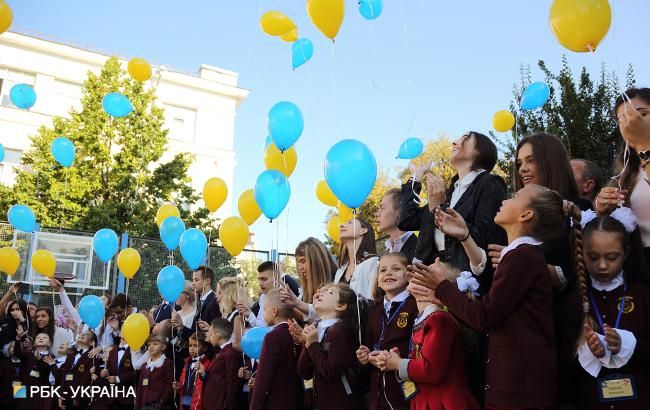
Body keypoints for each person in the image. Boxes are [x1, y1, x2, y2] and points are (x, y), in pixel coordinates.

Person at [410, 184, 575, 409]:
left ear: (525, 215)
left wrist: (442, 288)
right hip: (517, 386)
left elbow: (485, 316)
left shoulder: (522, 256)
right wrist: (442, 296)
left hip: (519, 391)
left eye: (515, 197)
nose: (506, 199)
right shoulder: (521, 255)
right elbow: (495, 313)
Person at [399, 131, 507, 294]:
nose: (454, 142)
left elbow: (487, 239)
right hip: (437, 285)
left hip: (470, 287)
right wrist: (416, 178)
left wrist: (446, 218)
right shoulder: (449, 194)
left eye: (465, 138)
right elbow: (407, 220)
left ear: (480, 150)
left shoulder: (489, 183)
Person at [574, 212, 650, 409]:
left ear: (626, 253)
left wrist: (627, 345)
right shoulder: (574, 301)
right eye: (593, 257)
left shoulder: (643, 296)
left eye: (611, 257)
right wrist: (585, 349)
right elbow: (560, 359)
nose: (602, 265)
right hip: (590, 400)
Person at [379, 277, 480, 409]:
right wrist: (398, 360)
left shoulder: (438, 319)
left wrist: (399, 364)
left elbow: (433, 370)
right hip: (428, 401)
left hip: (442, 403)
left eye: (424, 273)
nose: (413, 274)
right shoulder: (426, 318)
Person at [356, 252, 418, 410]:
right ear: (377, 279)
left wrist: (395, 359)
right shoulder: (374, 312)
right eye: (383, 270)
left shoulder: (415, 305)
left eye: (396, 269)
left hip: (405, 392)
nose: (388, 273)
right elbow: (369, 346)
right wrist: (366, 356)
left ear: (409, 275)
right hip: (377, 396)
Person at [596, 87, 650, 267]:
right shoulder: (627, 173)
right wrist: (602, 210)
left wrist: (644, 144)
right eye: (623, 120)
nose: (631, 123)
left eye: (641, 114)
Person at [297, 283, 364, 410]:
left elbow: (331, 372)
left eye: (330, 292)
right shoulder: (319, 329)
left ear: (340, 306)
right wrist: (308, 342)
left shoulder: (340, 331)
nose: (321, 294)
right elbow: (304, 372)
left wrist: (313, 344)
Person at [249, 290, 302, 410]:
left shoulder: (272, 337)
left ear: (274, 311)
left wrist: (255, 406)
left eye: (264, 309)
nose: (263, 313)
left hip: (275, 401)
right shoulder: (296, 333)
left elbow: (264, 376)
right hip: (295, 399)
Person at [279, 238, 338, 321]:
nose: (300, 268)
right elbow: (307, 316)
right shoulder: (304, 291)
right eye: (298, 262)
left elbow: (323, 314)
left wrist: (296, 303)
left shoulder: (337, 284)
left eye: (303, 261)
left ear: (317, 260)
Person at [197, 318, 242, 410]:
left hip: (221, 405)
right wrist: (204, 373)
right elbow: (216, 378)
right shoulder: (219, 352)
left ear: (218, 335)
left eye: (211, 334)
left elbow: (232, 384)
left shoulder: (230, 354)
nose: (209, 337)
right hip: (213, 403)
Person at [333, 218, 379, 300]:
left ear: (363, 230)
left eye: (350, 223)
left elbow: (374, 300)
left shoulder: (374, 262)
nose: (341, 225)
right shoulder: (339, 272)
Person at [375, 188, 417, 261]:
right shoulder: (387, 251)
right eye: (378, 209)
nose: (376, 214)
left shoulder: (420, 249)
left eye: (383, 208)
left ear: (400, 211)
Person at [135, 334, 174, 410]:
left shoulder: (167, 363)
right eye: (149, 344)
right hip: (144, 404)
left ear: (163, 347)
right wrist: (137, 406)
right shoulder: (145, 366)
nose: (151, 347)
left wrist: (162, 400)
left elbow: (169, 384)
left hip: (159, 405)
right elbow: (140, 387)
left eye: (155, 344)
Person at [175, 332, 210, 410]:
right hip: (184, 402)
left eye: (196, 346)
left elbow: (209, 382)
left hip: (198, 404)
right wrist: (178, 386)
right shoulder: (186, 363)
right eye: (190, 345)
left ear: (205, 348)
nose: (192, 348)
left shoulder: (207, 363)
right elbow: (183, 382)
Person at [100, 332, 136, 410]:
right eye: (123, 329)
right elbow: (109, 370)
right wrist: (106, 373)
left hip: (127, 395)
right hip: (112, 396)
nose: (125, 330)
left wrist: (118, 379)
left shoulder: (135, 350)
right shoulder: (112, 351)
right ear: (119, 333)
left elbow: (137, 372)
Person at [192, 266, 220, 334]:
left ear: (207, 281)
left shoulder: (215, 301)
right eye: (193, 280)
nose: (193, 283)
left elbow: (217, 329)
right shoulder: (198, 300)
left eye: (196, 280)